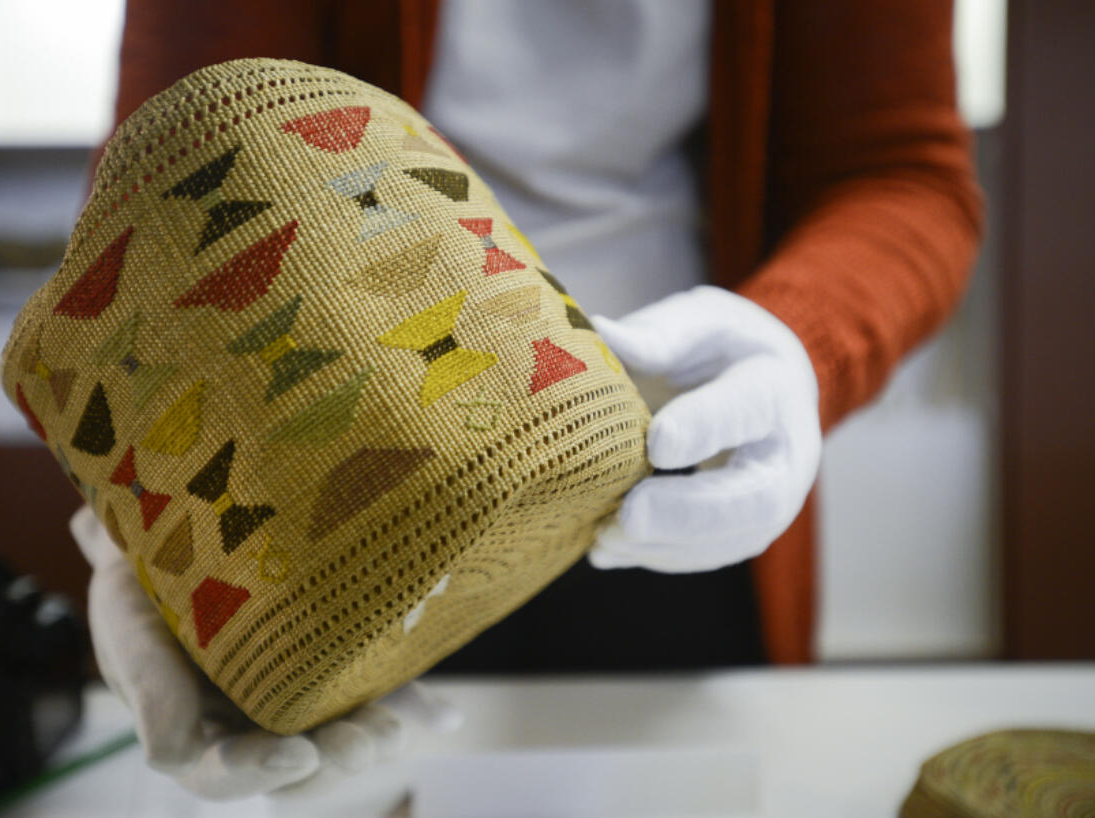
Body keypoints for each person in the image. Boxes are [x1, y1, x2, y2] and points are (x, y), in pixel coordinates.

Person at [75, 0, 983, 801]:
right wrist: (147, 519)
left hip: (670, 454)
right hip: (347, 480)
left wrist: (798, 341)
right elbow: (175, 164)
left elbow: (900, 167)